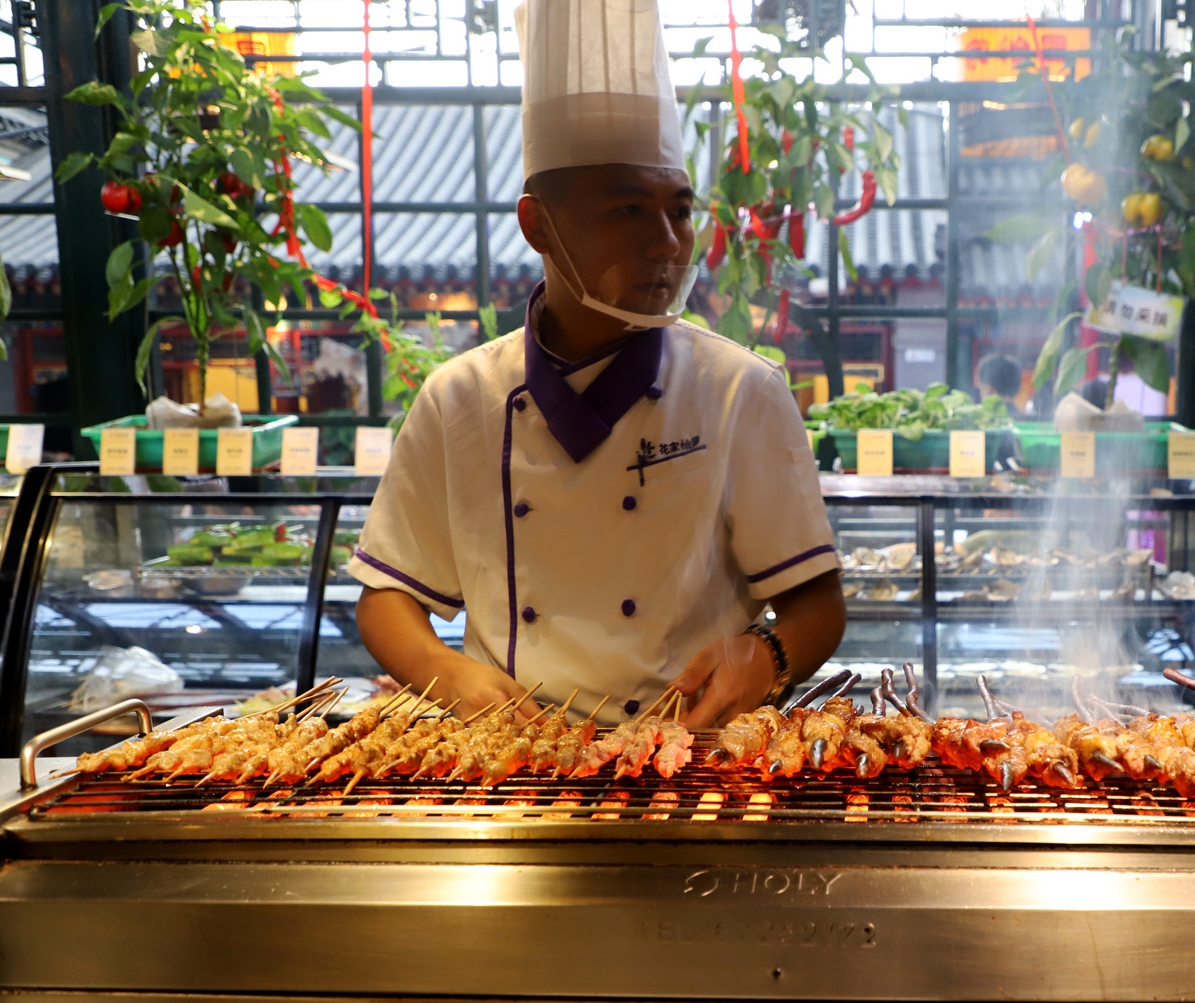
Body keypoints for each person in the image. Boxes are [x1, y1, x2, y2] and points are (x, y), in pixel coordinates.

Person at [350, 0, 844, 727]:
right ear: (537, 226)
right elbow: (387, 595)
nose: (668, 242)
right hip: (513, 765)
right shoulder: (459, 399)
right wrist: (442, 668)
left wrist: (767, 655)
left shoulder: (741, 390)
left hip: (691, 767)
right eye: (627, 211)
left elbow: (816, 602)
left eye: (678, 210)